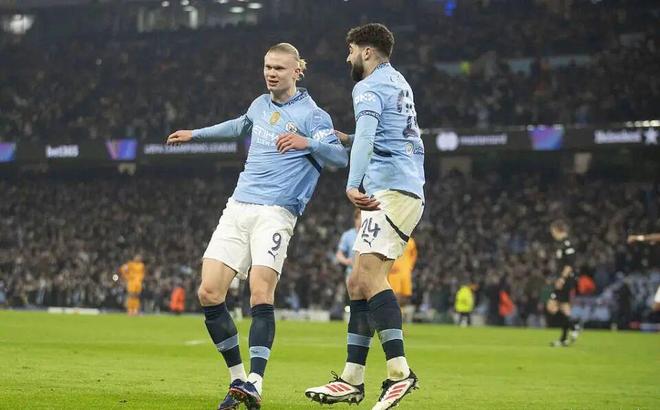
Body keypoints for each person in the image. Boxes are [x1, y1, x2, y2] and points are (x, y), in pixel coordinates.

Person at [166, 42, 348, 410]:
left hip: (276, 212)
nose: (271, 73)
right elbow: (239, 126)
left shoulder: (314, 115)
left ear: (297, 71)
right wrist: (196, 134)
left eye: (279, 68)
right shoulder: (260, 104)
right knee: (209, 292)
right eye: (267, 67)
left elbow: (339, 156)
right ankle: (238, 380)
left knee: (260, 293)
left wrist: (306, 142)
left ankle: (256, 380)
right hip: (238, 206)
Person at [305, 23, 425, 410]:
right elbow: (389, 136)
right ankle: (352, 379)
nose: (348, 58)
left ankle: (400, 374)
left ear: (367, 52)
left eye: (351, 50)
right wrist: (349, 138)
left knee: (371, 278)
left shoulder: (368, 86)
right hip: (402, 186)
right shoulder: (398, 82)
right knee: (357, 281)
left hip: (390, 190)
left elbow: (372, 138)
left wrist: (352, 182)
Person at [546, 220, 581, 347]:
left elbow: (570, 265)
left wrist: (561, 279)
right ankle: (564, 339)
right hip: (563, 279)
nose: (552, 234)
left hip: (565, 280)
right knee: (565, 308)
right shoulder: (561, 244)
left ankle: (574, 325)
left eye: (553, 231)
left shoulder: (567, 244)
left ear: (557, 230)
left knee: (551, 306)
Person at [388, 237, 417, 322]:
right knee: (395, 295)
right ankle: (394, 318)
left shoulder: (410, 241)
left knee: (405, 296)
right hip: (394, 273)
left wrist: (410, 266)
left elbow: (414, 254)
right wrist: (389, 266)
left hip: (405, 272)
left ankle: (399, 316)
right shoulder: (391, 239)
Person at [336, 208, 361, 278]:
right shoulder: (347, 235)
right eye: (359, 218)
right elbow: (339, 254)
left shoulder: (371, 236)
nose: (361, 220)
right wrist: (346, 261)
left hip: (367, 273)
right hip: (351, 273)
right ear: (355, 219)